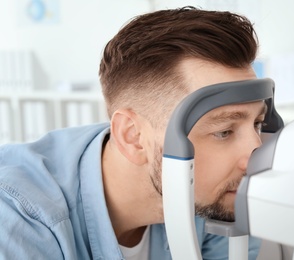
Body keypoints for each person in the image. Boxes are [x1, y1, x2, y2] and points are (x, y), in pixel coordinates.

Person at [0, 6, 267, 259]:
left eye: (257, 124)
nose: (256, 157)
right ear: (134, 137)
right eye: (224, 132)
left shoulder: (214, 199)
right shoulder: (18, 219)